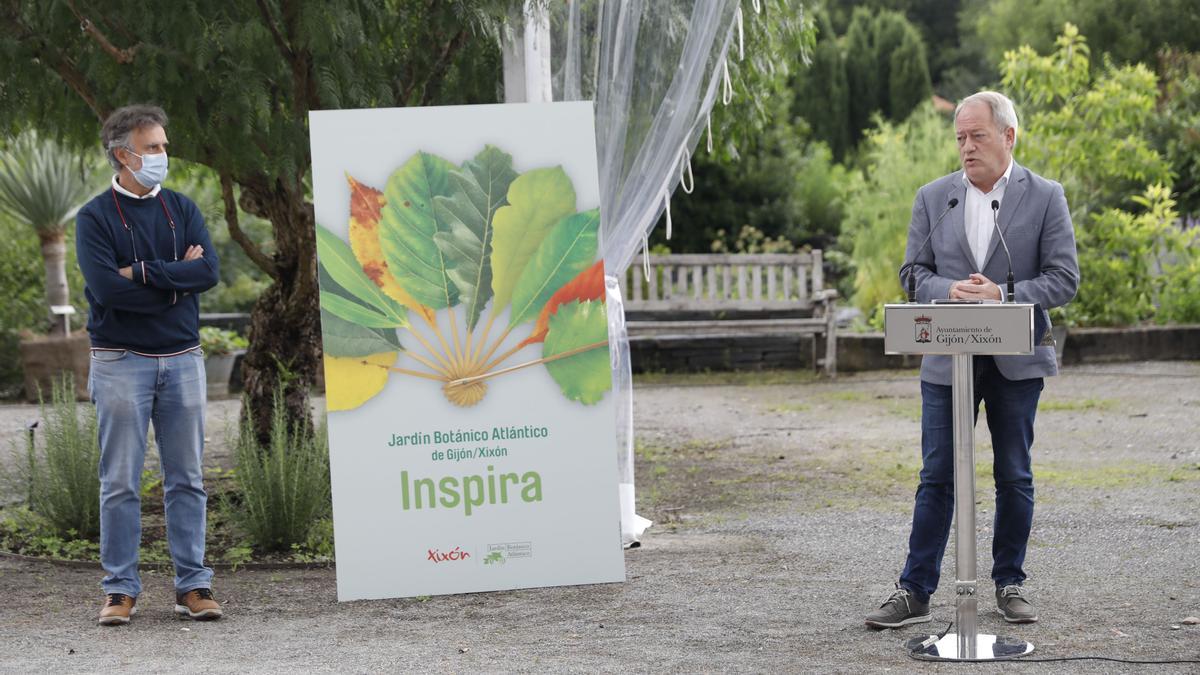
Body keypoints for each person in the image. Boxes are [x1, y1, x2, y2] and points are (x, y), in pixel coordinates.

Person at [865, 91, 1079, 629]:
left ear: (1008, 136)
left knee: (1014, 474)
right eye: (959, 137)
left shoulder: (1046, 196)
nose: (966, 147)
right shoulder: (935, 198)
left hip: (1015, 360)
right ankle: (914, 591)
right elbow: (913, 274)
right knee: (936, 475)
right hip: (946, 359)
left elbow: (1064, 278)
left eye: (976, 135)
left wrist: (1002, 295)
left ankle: (1010, 583)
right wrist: (951, 290)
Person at [76, 105, 223, 625]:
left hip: (182, 359)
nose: (164, 155)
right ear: (124, 154)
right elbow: (104, 289)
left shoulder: (181, 209)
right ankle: (119, 590)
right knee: (119, 482)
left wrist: (140, 272)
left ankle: (193, 586)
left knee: (187, 478)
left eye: (163, 145)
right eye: (154, 147)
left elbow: (208, 272)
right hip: (119, 362)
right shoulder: (94, 218)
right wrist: (171, 284)